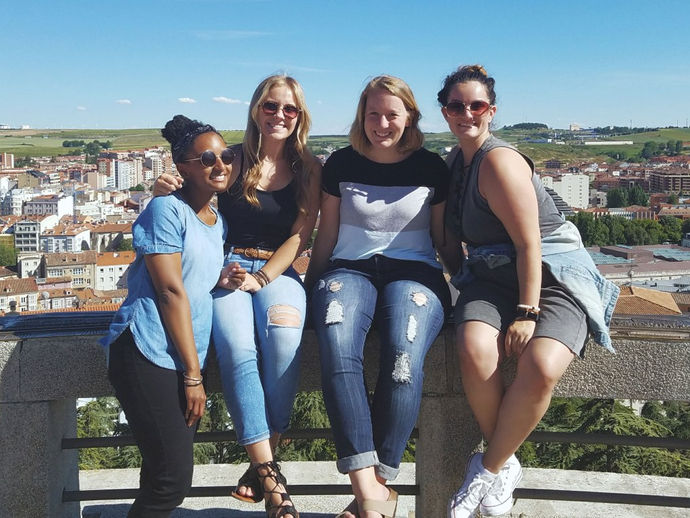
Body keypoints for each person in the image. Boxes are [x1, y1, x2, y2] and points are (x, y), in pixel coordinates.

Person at [439, 65, 619, 518]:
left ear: (491, 111)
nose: (466, 113)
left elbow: (529, 244)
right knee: (474, 347)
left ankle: (487, 469)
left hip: (549, 275)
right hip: (490, 277)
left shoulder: (499, 161)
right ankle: (505, 463)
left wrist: (526, 311)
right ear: (445, 112)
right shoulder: (454, 164)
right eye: (457, 105)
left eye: (476, 105)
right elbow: (450, 238)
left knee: (539, 365)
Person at [154, 74, 321, 518]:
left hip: (277, 269)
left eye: (289, 108)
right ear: (256, 109)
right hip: (226, 265)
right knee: (237, 348)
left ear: (300, 116)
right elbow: (195, 200)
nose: (280, 115)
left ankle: (262, 463)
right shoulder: (231, 157)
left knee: (284, 341)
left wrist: (262, 278)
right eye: (271, 106)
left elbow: (300, 236)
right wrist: (163, 190)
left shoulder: (308, 167)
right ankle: (271, 478)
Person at [305, 75, 458, 518]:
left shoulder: (431, 167)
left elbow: (442, 239)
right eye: (373, 114)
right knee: (337, 343)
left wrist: (471, 284)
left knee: (403, 357)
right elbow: (327, 234)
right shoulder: (341, 163)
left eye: (392, 114)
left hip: (416, 272)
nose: (382, 123)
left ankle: (374, 490)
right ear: (361, 116)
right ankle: (371, 496)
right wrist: (311, 286)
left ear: (410, 116)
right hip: (348, 269)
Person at [101, 114, 241, 517]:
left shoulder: (216, 220)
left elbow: (191, 277)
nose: (221, 165)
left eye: (226, 156)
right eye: (208, 159)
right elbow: (169, 290)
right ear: (183, 167)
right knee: (171, 480)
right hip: (148, 350)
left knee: (160, 472)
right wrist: (194, 375)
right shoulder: (165, 210)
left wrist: (220, 277)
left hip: (183, 354)